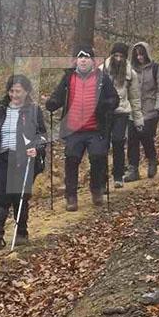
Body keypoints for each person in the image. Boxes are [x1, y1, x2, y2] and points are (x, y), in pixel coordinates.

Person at [0, 74, 48, 251]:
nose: (14, 95)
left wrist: (36, 148)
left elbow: (42, 136)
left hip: (23, 158)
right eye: (12, 91)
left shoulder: (33, 110)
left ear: (26, 92)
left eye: (18, 91)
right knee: (1, 195)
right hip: (2, 156)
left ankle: (22, 232)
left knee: (19, 195)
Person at [45, 46, 119, 211]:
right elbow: (58, 96)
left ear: (92, 61)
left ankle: (96, 189)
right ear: (76, 61)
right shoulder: (68, 77)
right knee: (71, 160)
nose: (83, 60)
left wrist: (108, 104)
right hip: (74, 129)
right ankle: (71, 196)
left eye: (86, 57)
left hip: (96, 128)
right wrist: (52, 104)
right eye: (80, 57)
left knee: (98, 157)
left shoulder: (102, 78)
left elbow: (114, 98)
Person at [125, 42, 159, 183]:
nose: (139, 57)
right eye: (137, 55)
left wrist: (158, 107)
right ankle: (133, 168)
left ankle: (152, 159)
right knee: (132, 139)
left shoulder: (156, 68)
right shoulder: (130, 70)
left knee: (145, 135)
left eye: (142, 54)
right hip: (133, 109)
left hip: (151, 109)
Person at [100, 43, 143, 188]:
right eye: (116, 56)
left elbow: (135, 97)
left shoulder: (131, 74)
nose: (118, 59)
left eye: (121, 56)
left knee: (118, 141)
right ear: (111, 56)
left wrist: (138, 119)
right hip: (104, 112)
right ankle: (102, 178)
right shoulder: (101, 71)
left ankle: (118, 175)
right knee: (103, 145)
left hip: (122, 111)